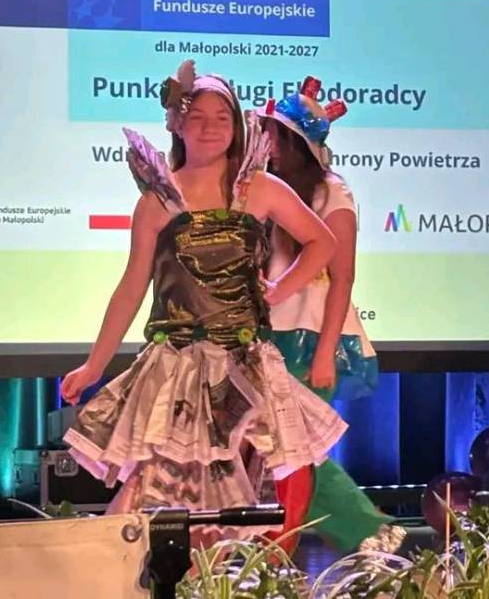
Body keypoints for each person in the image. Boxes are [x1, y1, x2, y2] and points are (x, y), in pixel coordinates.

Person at [59, 60, 344, 545]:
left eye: (221, 118)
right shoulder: (158, 201)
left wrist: (279, 289)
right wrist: (94, 365)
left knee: (257, 482)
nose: (209, 128)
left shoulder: (259, 188)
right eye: (197, 117)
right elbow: (132, 286)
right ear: (178, 124)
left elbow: (323, 243)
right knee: (162, 490)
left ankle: (237, 571)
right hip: (177, 366)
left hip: (244, 364)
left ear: (236, 127)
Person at [255, 78, 405, 554]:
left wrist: (324, 354)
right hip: (269, 334)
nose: (266, 142)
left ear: (295, 142)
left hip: (311, 336)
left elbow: (343, 278)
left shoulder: (332, 193)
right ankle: (353, 536)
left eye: (274, 134)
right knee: (283, 449)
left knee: (296, 450)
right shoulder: (268, 190)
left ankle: (366, 533)